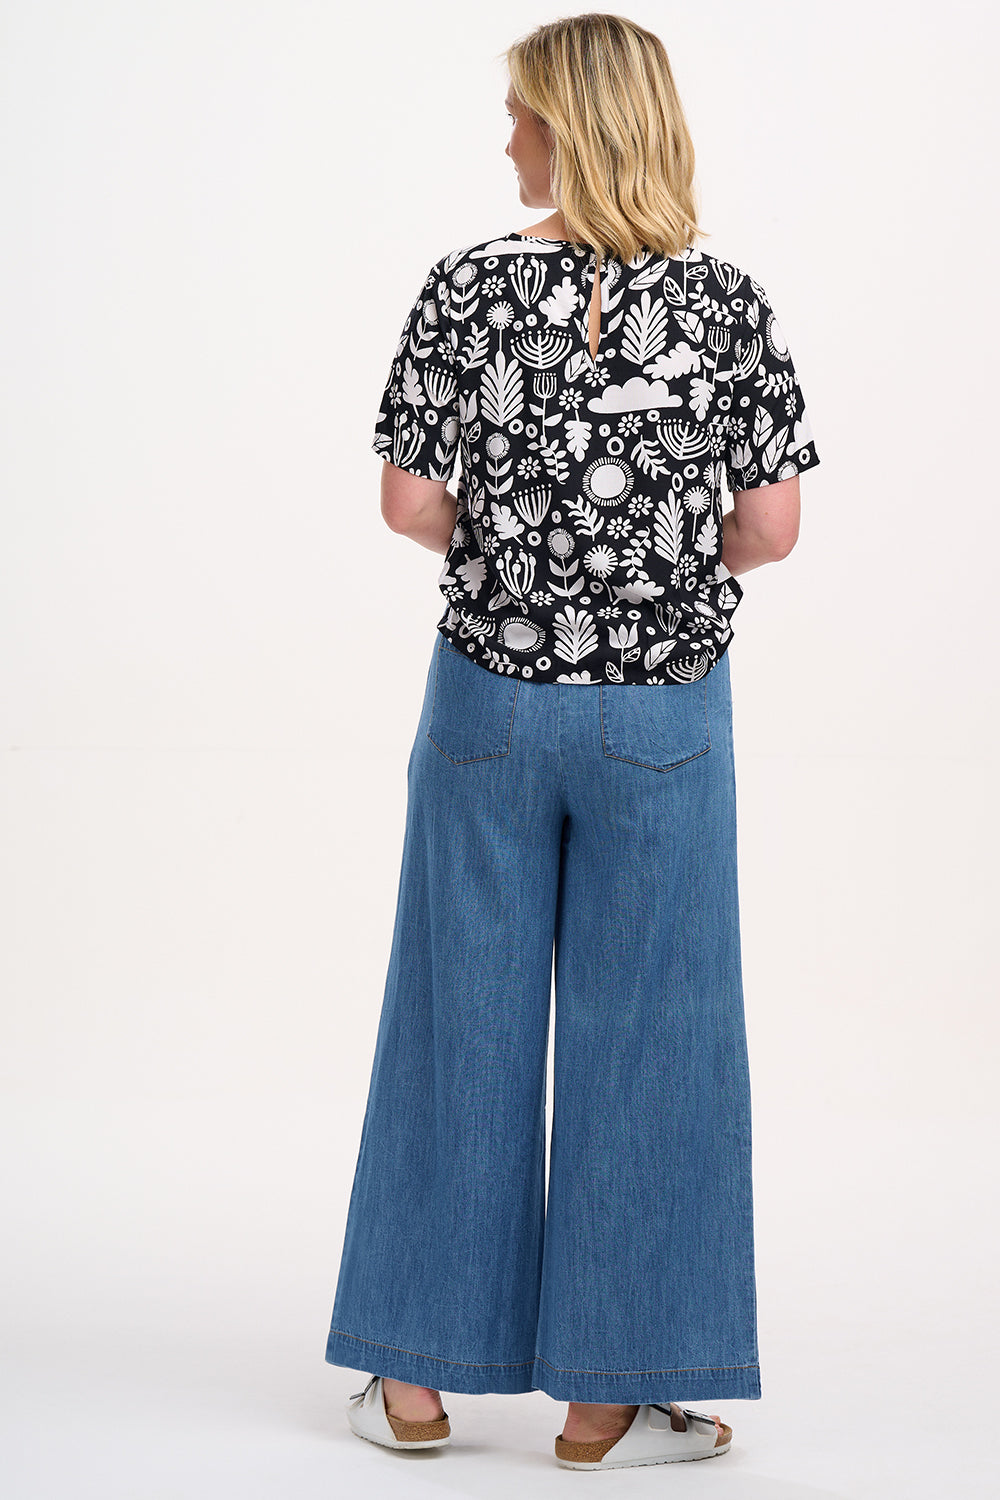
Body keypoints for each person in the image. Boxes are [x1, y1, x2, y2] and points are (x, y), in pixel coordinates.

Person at [324, 11, 820, 1472]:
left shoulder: (467, 287)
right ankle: (614, 1393)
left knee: (454, 1017)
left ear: (572, 126)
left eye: (524, 116)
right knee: (657, 1029)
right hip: (664, 712)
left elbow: (409, 507)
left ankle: (413, 1383)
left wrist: (524, 552)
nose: (508, 140)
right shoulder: (727, 301)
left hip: (486, 697)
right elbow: (773, 528)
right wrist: (647, 558)